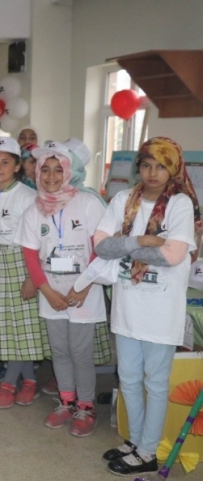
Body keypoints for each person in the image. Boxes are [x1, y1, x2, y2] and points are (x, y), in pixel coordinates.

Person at [94, 137, 200, 476]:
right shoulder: (125, 199)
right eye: (146, 165)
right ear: (138, 167)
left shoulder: (180, 204)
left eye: (161, 166)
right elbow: (99, 245)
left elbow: (172, 255)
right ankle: (135, 441)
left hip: (160, 310)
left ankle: (149, 451)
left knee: (155, 381)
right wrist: (140, 240)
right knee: (127, 377)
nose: (153, 173)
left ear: (173, 169)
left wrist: (122, 247)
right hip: (127, 306)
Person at [17, 141, 109, 437]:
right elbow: (30, 254)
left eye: (59, 170)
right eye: (46, 169)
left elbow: (100, 249)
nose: (52, 176)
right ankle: (67, 402)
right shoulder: (34, 210)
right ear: (37, 172)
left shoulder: (88, 202)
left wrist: (82, 287)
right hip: (52, 293)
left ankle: (86, 406)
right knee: (59, 351)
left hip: (84, 292)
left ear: (69, 172)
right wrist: (46, 291)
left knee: (80, 352)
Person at [0, 137, 44, 409]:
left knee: (22, 327)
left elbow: (36, 241)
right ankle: (29, 380)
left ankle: (8, 382)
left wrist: (32, 276)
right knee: (6, 328)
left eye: (5, 162)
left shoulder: (28, 198)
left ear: (17, 166)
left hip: (21, 266)